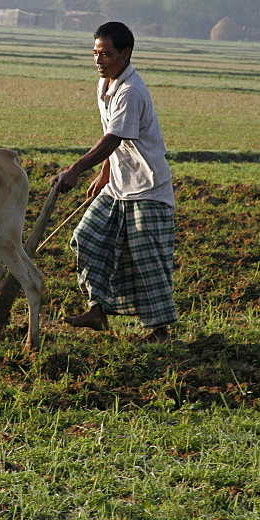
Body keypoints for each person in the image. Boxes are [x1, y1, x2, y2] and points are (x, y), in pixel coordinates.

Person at [51, 21, 177, 343]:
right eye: (95, 53)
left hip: (147, 188)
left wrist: (76, 169)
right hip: (118, 186)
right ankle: (97, 309)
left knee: (146, 259)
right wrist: (105, 174)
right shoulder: (105, 85)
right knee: (86, 239)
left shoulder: (131, 91)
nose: (99, 60)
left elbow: (113, 139)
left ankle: (159, 331)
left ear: (126, 53)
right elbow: (113, 139)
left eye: (106, 54)